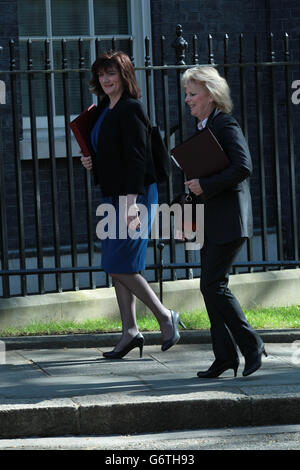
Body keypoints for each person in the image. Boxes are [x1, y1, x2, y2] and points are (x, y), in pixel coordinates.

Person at [81, 50, 185, 359]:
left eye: (111, 73)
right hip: (113, 195)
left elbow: (137, 160)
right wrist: (91, 161)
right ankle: (129, 331)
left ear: (124, 75)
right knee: (117, 264)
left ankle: (166, 317)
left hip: (133, 196)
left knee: (120, 262)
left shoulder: (131, 109)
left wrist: (128, 205)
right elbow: (110, 155)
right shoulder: (103, 109)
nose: (106, 79)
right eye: (101, 75)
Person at [182, 66, 267, 378]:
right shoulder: (204, 129)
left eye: (193, 94)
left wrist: (205, 184)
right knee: (210, 287)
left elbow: (243, 167)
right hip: (212, 221)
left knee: (212, 284)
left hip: (229, 221)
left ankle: (251, 343)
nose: (187, 100)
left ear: (211, 95)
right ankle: (225, 357)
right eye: (187, 94)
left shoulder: (225, 124)